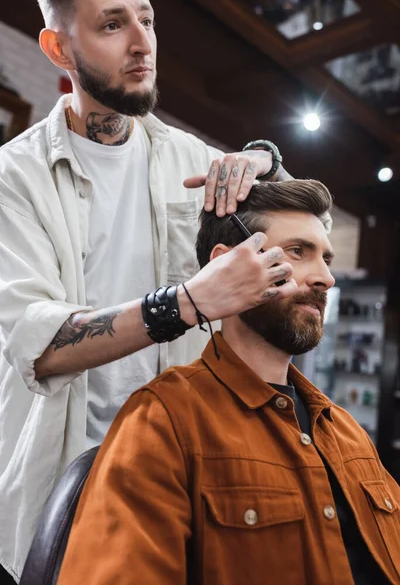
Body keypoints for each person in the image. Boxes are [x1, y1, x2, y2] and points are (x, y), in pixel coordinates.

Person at [0, 0, 325, 581]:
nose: (142, 43)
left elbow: (310, 228)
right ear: (57, 48)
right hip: (61, 492)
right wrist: (188, 303)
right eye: (113, 25)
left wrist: (263, 160)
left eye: (147, 20)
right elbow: (38, 347)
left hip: (184, 475)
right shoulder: (12, 180)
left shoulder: (187, 160)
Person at [58, 179, 400, 585]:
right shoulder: (164, 423)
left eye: (326, 258)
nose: (326, 277)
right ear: (225, 265)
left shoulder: (347, 434)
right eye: (298, 251)